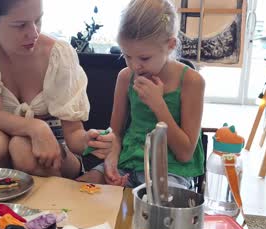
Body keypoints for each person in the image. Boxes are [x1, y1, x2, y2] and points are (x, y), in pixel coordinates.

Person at [0, 0, 115, 179]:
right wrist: (36, 127)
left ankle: (49, 205)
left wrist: (91, 141)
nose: (34, 33)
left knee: (22, 148)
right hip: (4, 142)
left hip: (58, 151)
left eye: (38, 20)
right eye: (20, 25)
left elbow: (73, 135)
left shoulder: (58, 55)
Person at [81, 0, 205, 188]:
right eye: (127, 56)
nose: (135, 66)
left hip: (170, 170)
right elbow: (115, 133)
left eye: (144, 58)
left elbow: (185, 153)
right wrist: (111, 160)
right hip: (128, 163)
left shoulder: (192, 82)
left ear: (171, 45)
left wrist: (158, 105)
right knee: (83, 187)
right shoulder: (125, 77)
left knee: (158, 206)